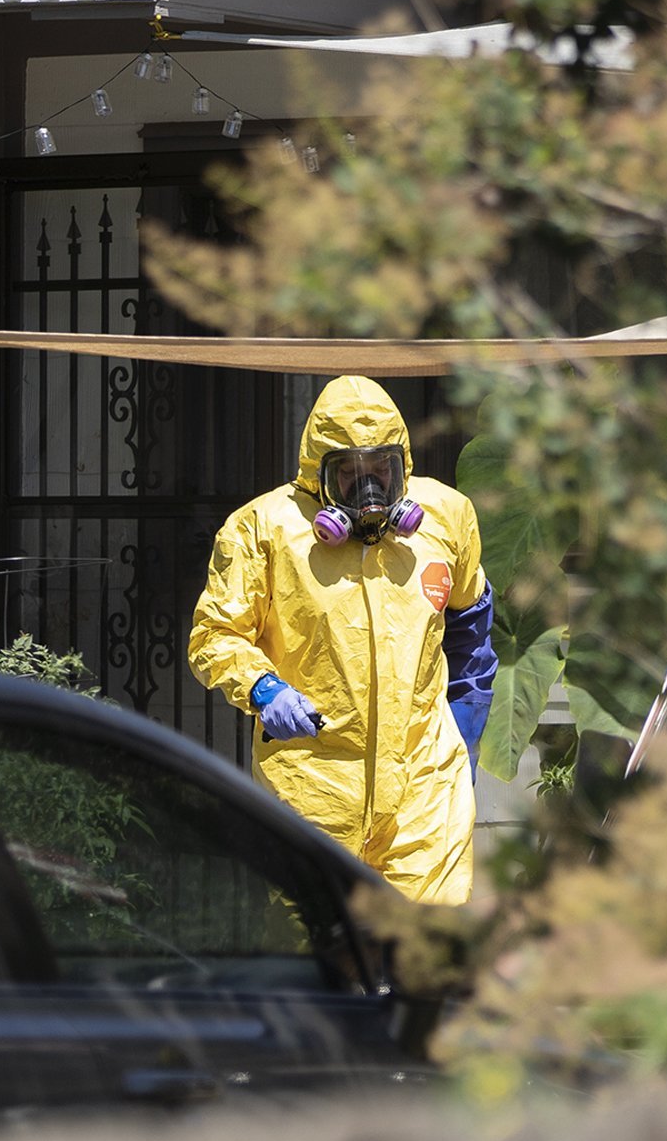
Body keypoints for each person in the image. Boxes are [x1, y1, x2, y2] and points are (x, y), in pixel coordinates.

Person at [188, 377, 495, 905]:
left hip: (425, 785)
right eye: (349, 473)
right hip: (314, 787)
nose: (369, 488)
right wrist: (263, 689)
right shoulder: (263, 530)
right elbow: (215, 633)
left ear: (404, 466)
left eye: (381, 470)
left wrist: (464, 727)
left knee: (423, 955)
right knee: (322, 958)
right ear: (316, 476)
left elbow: (472, 622)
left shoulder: (446, 517)